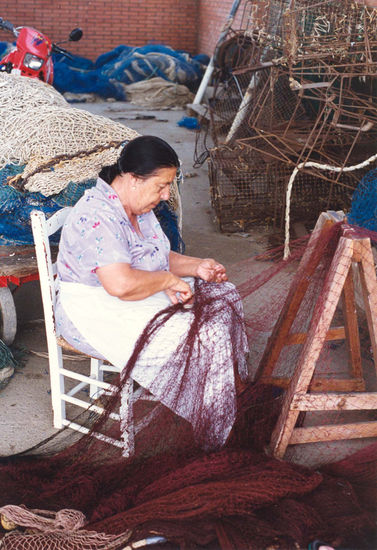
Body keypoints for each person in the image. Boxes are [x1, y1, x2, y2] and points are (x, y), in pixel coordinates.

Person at [55, 135, 249, 450]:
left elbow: (154, 257)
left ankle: (226, 396)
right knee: (206, 334)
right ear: (132, 179)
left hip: (130, 291)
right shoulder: (97, 214)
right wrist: (169, 282)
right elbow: (121, 284)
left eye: (168, 186)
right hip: (92, 309)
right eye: (161, 186)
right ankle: (215, 432)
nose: (165, 194)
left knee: (224, 294)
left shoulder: (139, 207)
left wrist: (197, 266)